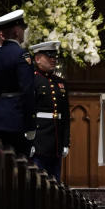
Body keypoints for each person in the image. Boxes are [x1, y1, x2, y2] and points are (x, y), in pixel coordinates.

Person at [0, 9, 35, 157]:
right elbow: (27, 92)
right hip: (17, 122)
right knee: (19, 166)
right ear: (16, 31)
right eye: (22, 29)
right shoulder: (22, 56)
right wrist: (30, 126)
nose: (24, 32)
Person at [29, 40, 70, 181]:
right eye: (49, 56)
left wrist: (65, 142)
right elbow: (28, 111)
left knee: (55, 181)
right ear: (38, 59)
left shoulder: (60, 83)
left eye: (54, 57)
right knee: (38, 181)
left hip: (56, 141)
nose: (53, 60)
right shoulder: (32, 80)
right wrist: (30, 142)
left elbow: (65, 116)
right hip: (39, 140)